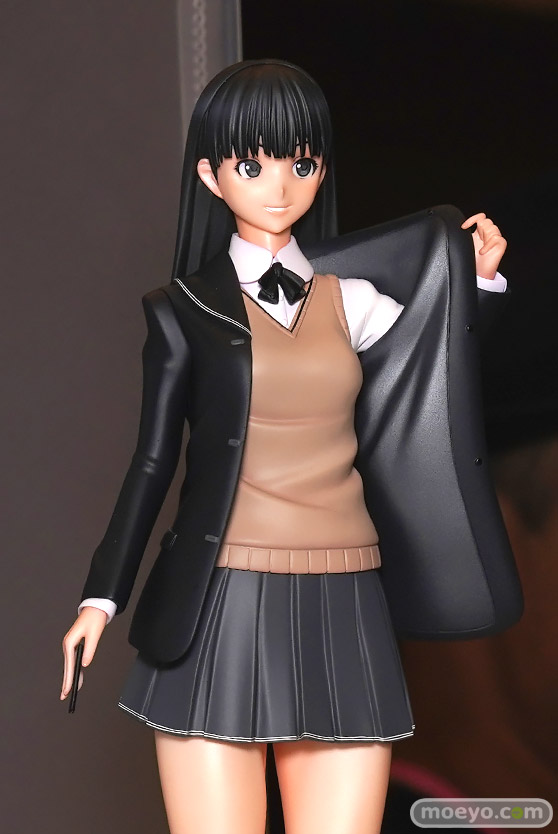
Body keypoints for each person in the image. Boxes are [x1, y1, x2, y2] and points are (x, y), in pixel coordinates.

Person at [60, 60, 511, 834]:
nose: (278, 186)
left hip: (344, 589)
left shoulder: (354, 302)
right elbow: (152, 462)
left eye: (300, 164)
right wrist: (101, 598)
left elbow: (438, 370)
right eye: (252, 165)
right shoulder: (182, 311)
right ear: (210, 175)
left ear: (321, 169)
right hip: (225, 594)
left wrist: (479, 283)